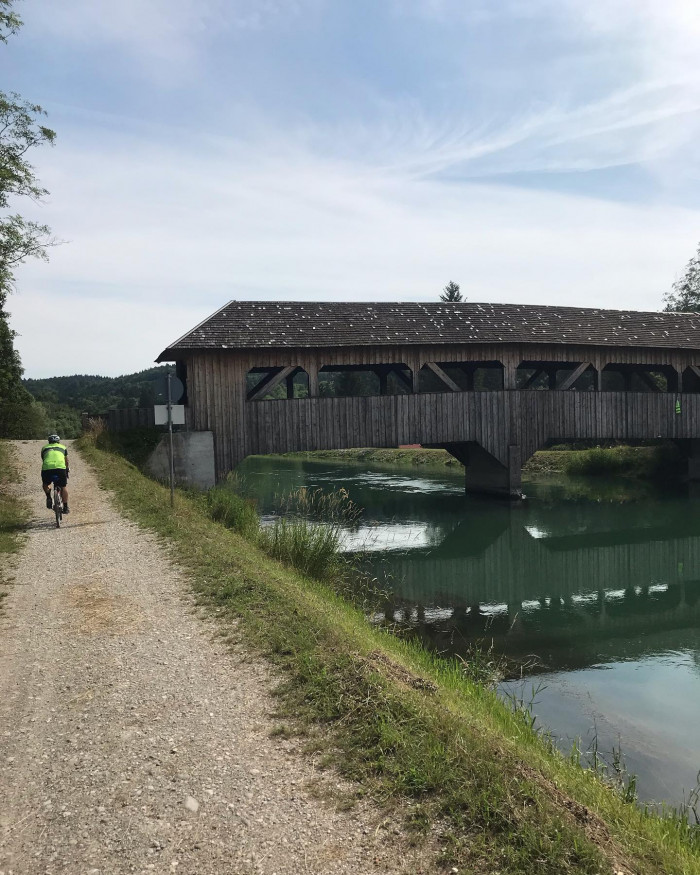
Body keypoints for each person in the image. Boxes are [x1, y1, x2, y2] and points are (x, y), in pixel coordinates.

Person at [41, 434, 69, 514]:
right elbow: (66, 461)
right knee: (63, 486)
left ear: (49, 441)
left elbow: (44, 458)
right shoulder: (63, 447)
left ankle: (48, 497)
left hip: (47, 467)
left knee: (46, 483)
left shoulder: (44, 448)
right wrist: (67, 469)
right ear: (58, 441)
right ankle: (66, 507)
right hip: (60, 468)